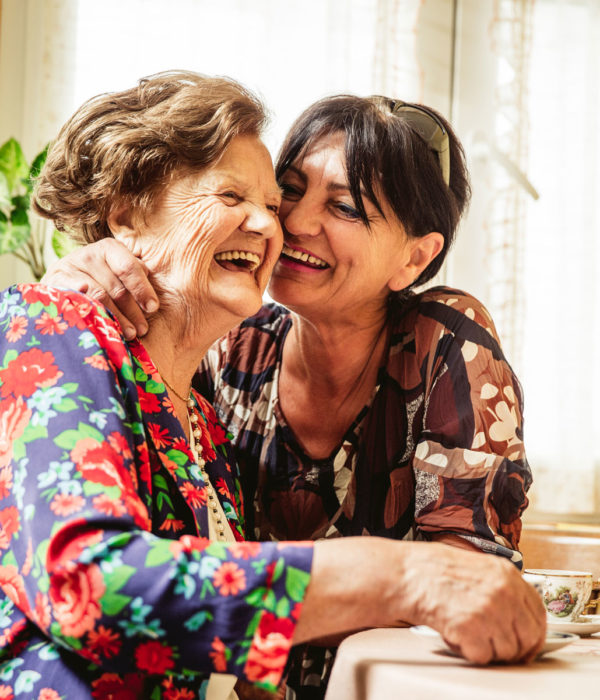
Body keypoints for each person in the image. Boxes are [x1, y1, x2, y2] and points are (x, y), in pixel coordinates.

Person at [31, 78, 545, 699]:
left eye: (346, 207)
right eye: (288, 194)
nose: (291, 224)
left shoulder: (440, 345)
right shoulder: (220, 346)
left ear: (413, 260)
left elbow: (468, 584)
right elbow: (98, 576)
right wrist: (73, 281)